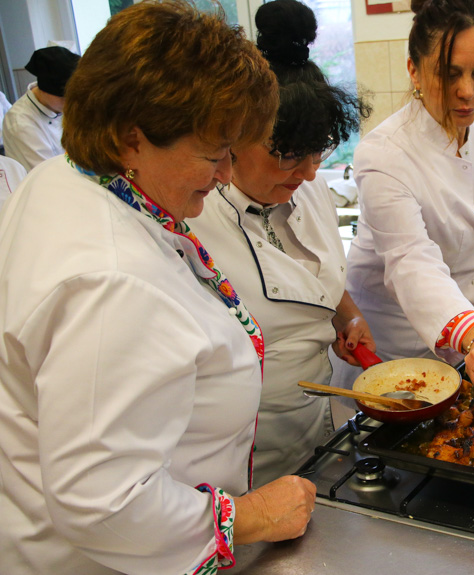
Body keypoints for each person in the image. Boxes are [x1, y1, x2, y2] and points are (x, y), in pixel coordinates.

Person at [0, 3, 317, 574]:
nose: (224, 174)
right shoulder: (111, 280)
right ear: (130, 139)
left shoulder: (69, 177)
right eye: (213, 153)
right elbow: (103, 503)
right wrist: (252, 518)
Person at [190, 0, 374, 486]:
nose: (311, 171)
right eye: (290, 154)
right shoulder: (193, 215)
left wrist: (348, 314)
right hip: (239, 453)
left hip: (316, 425)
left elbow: (317, 278)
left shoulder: (307, 188)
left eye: (318, 150)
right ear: (233, 138)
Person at [331, 0, 474, 407]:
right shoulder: (384, 154)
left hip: (472, 345)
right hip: (396, 352)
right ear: (414, 70)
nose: (468, 92)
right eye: (448, 74)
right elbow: (411, 261)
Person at [2, 46, 80, 171]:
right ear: (45, 90)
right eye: (65, 98)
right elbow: (49, 174)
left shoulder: (57, 106)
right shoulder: (21, 123)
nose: (71, 104)